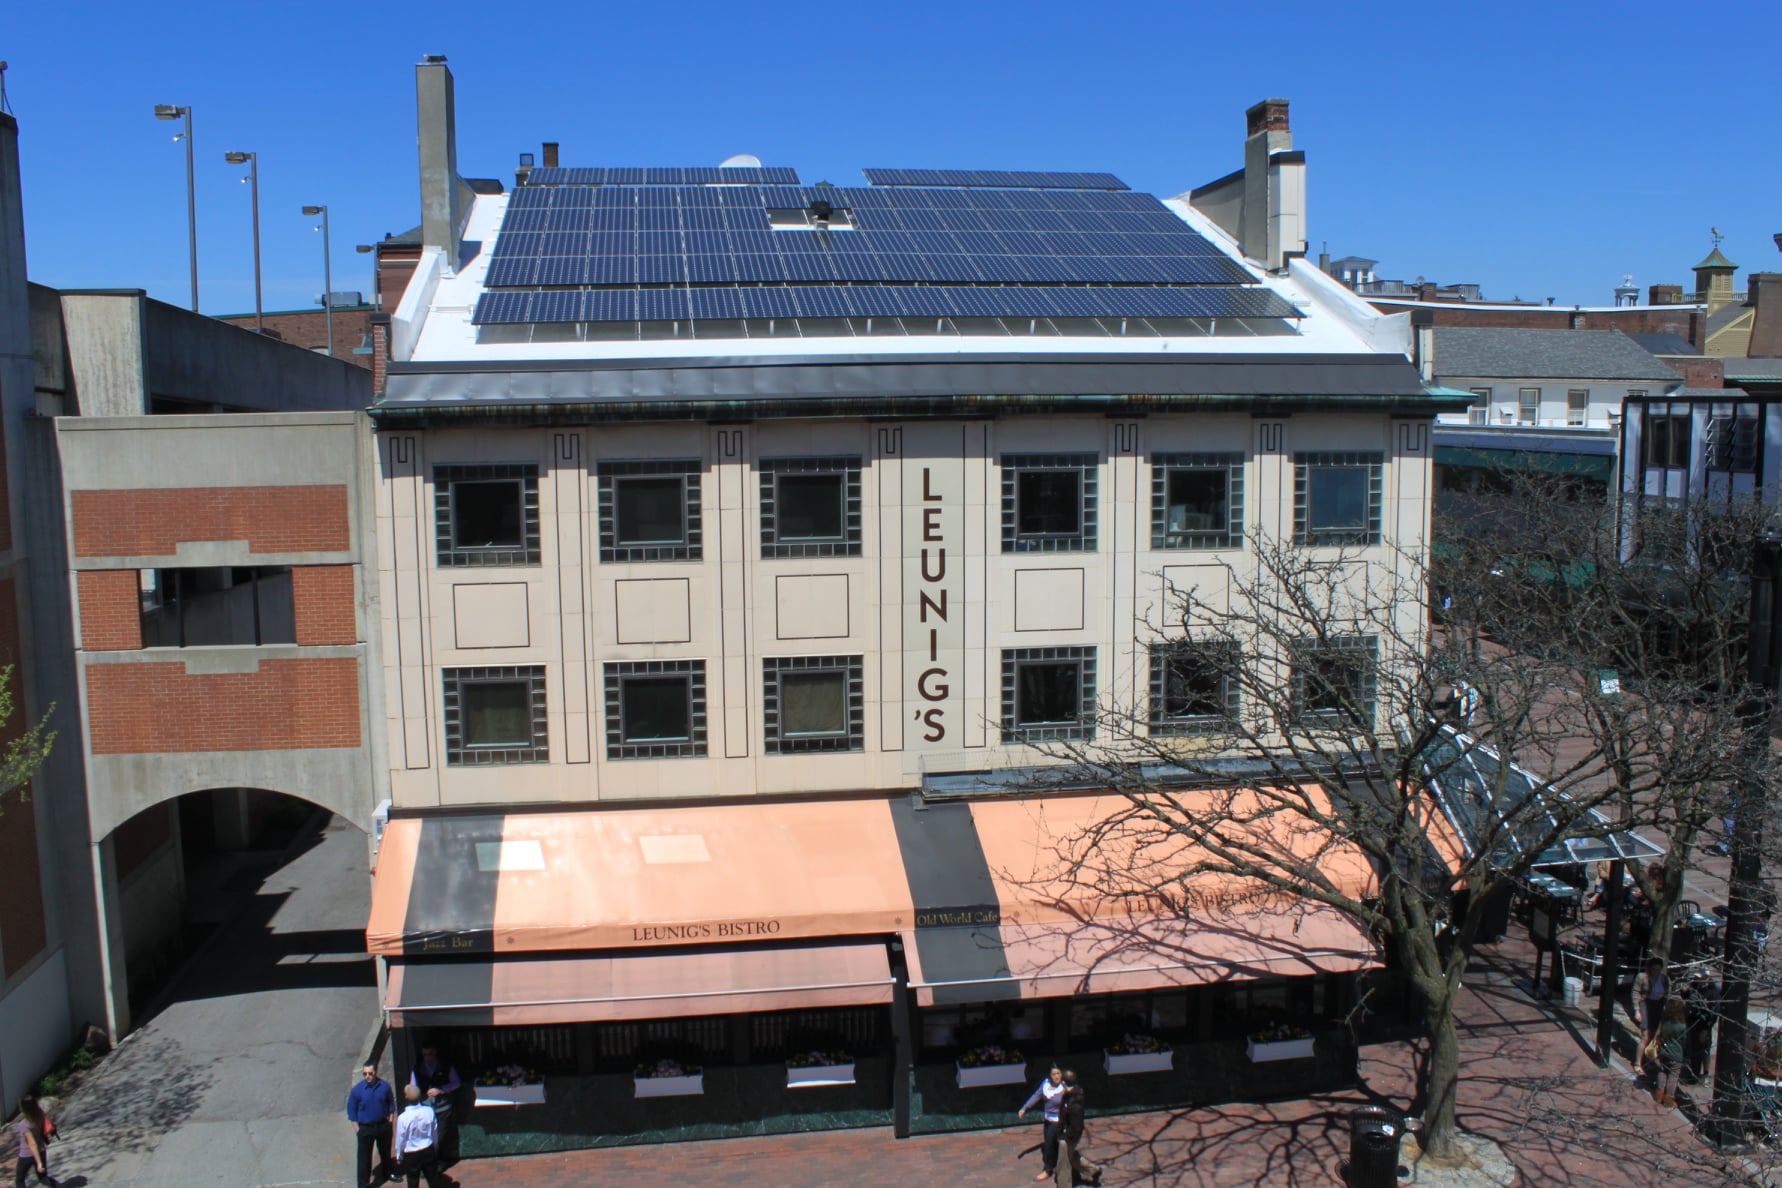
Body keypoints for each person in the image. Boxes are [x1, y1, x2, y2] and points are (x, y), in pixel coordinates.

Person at [409, 1045, 462, 1167]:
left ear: (435, 1053)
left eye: (430, 1054)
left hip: (443, 1107)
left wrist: (442, 1089)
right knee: (426, 1136)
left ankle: (438, 1161)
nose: (427, 1057)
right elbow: (413, 1087)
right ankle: (430, 1163)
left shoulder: (446, 1066)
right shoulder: (417, 1068)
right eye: (425, 1054)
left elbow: (456, 1082)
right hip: (425, 1108)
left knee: (440, 1135)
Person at [347, 1062, 397, 1188]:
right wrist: (357, 1129)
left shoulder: (384, 1086)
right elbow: (351, 1111)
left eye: (370, 1073)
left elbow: (391, 1104)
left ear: (376, 1072)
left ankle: (388, 1173)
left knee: (385, 1153)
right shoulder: (357, 1090)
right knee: (364, 1159)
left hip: (382, 1126)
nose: (367, 1076)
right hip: (365, 1129)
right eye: (365, 1074)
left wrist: (390, 1121)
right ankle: (363, 1185)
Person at [1017, 1065, 1066, 1183]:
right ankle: (1051, 1167)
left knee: (1055, 1146)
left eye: (1058, 1074)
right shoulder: (1045, 1085)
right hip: (1048, 1121)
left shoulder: (1064, 1088)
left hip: (1060, 1121)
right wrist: (1024, 1108)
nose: (1056, 1077)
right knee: (1050, 1145)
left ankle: (1054, 1170)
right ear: (1050, 1075)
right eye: (1054, 1074)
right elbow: (1036, 1096)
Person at [1056, 1071, 1103, 1187]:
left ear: (1064, 1083)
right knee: (1070, 1157)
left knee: (1064, 1161)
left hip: (1069, 1136)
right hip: (1066, 1133)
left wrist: (1066, 1138)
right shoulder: (1069, 1095)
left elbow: (1076, 1127)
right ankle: (1093, 1170)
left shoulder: (1075, 1103)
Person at [392, 1085, 444, 1188]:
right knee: (433, 1178)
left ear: (406, 1097)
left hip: (411, 1154)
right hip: (427, 1148)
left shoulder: (403, 1118)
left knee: (412, 1181)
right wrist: (435, 1145)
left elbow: (400, 1139)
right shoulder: (429, 1111)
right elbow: (434, 1131)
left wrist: (399, 1155)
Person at [1651, 996, 1688, 1108]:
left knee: (1662, 1072)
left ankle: (1659, 1094)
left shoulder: (1664, 1022)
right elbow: (1685, 1041)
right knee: (1673, 1076)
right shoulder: (1682, 1026)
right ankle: (1669, 1098)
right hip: (1676, 1055)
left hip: (1664, 1052)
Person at [11, 1097, 56, 1188]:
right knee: (43, 1177)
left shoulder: (24, 1124)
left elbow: (32, 1144)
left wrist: (38, 1162)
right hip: (41, 1150)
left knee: (19, 1180)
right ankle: (53, 1185)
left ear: (23, 1108)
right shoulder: (40, 1114)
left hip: (26, 1155)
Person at [1634, 957, 1669, 1061]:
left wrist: (1666, 1008)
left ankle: (1648, 1058)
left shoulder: (1664, 979)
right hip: (1645, 1004)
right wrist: (1637, 1010)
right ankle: (1637, 1062)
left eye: (1658, 969)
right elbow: (1635, 992)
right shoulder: (1642, 977)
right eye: (1654, 969)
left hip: (1657, 1006)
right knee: (1645, 1035)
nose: (1656, 972)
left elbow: (1667, 994)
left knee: (1654, 1035)